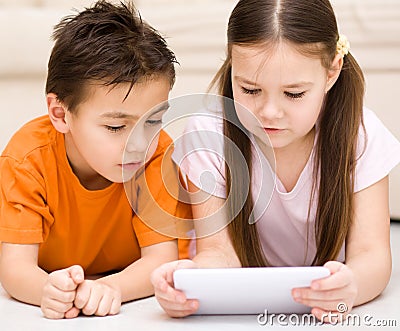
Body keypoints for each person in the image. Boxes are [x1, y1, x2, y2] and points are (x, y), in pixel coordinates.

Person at [151, 0, 400, 321]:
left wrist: (352, 286)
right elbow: (218, 252)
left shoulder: (361, 134)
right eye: (250, 89)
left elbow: (372, 255)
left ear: (332, 71)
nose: (269, 113)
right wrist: (187, 280)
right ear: (231, 68)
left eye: (294, 93)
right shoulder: (209, 132)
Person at [0, 0, 191, 320]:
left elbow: (161, 259)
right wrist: (48, 290)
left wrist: (109, 288)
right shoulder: (27, 160)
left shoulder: (157, 156)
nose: (139, 144)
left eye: (154, 121)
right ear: (60, 114)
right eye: (116, 127)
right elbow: (15, 268)